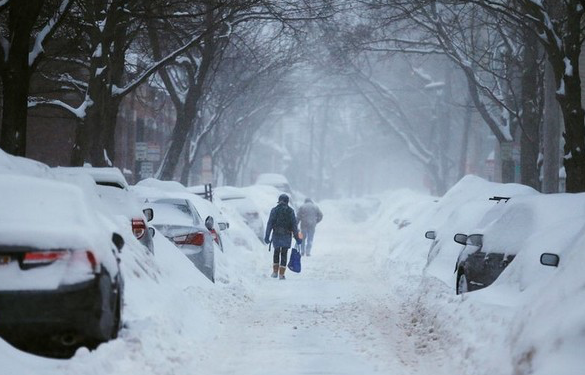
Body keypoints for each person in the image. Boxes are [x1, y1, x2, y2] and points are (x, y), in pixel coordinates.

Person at [265, 193, 302, 280]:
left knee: (276, 252)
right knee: (284, 253)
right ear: (287, 201)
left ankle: (275, 272)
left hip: (276, 234)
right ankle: (281, 274)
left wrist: (267, 236)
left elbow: (270, 223)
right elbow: (294, 226)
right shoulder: (290, 211)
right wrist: (297, 237)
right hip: (286, 235)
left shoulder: (274, 210)